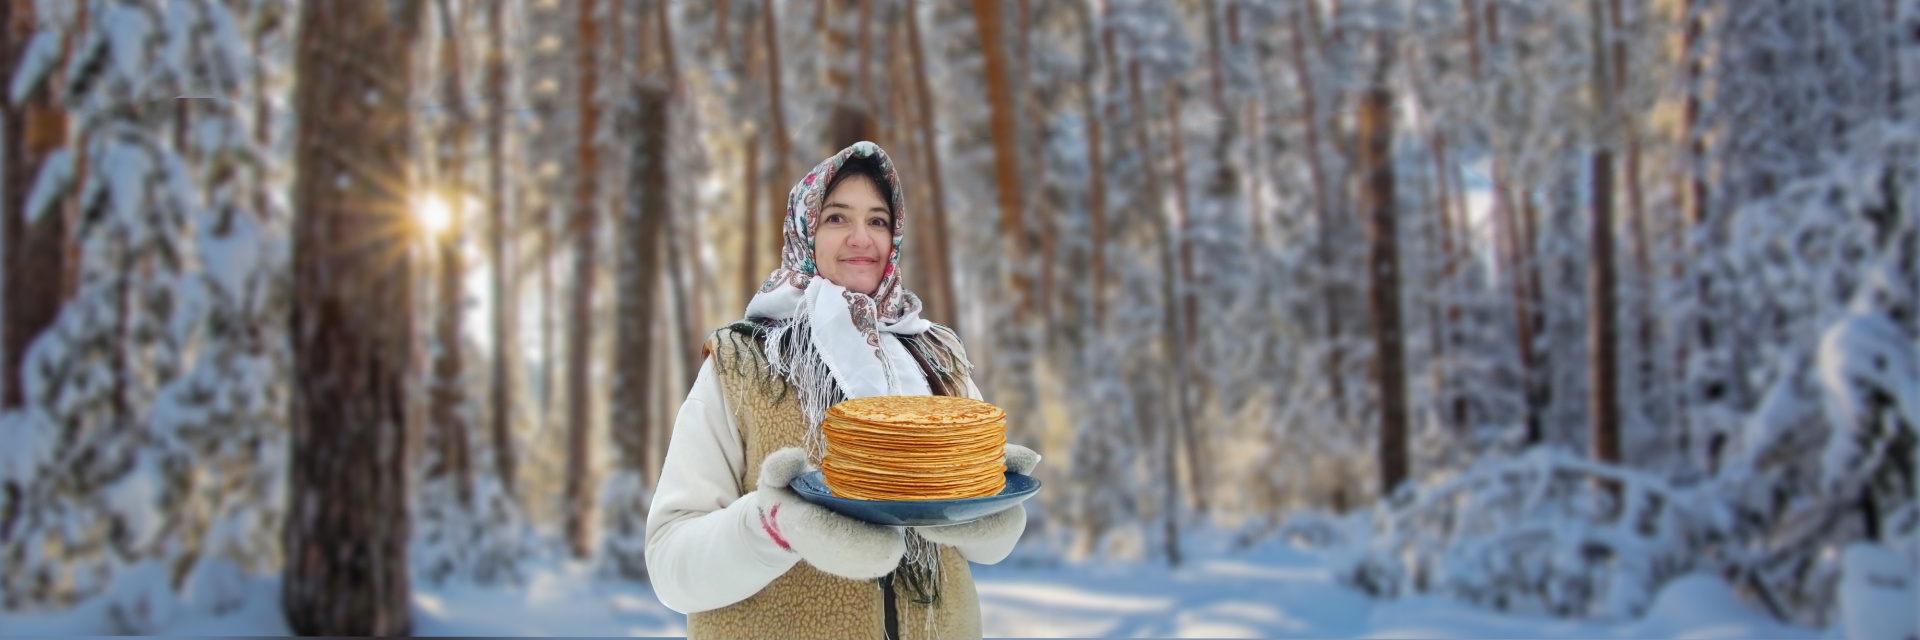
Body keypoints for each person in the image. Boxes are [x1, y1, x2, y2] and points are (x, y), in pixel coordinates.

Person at [645, 141, 1040, 640]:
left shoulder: (935, 356)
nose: (862, 238)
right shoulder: (742, 361)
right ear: (804, 232)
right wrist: (775, 525)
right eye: (836, 218)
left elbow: (983, 548)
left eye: (878, 221)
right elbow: (668, 566)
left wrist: (992, 512)